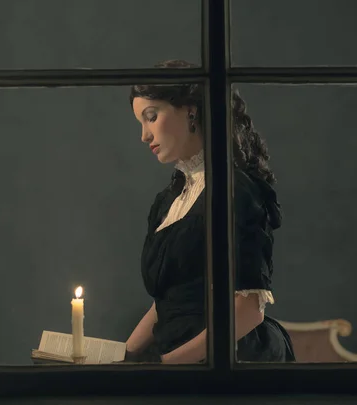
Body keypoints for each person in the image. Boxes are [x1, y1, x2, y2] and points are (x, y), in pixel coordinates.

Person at [124, 59, 295, 364]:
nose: (144, 136)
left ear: (191, 111)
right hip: (175, 355)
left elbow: (248, 312)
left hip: (229, 359)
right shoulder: (167, 201)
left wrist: (166, 366)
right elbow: (164, 306)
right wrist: (122, 357)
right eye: (140, 122)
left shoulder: (236, 189)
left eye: (151, 117)